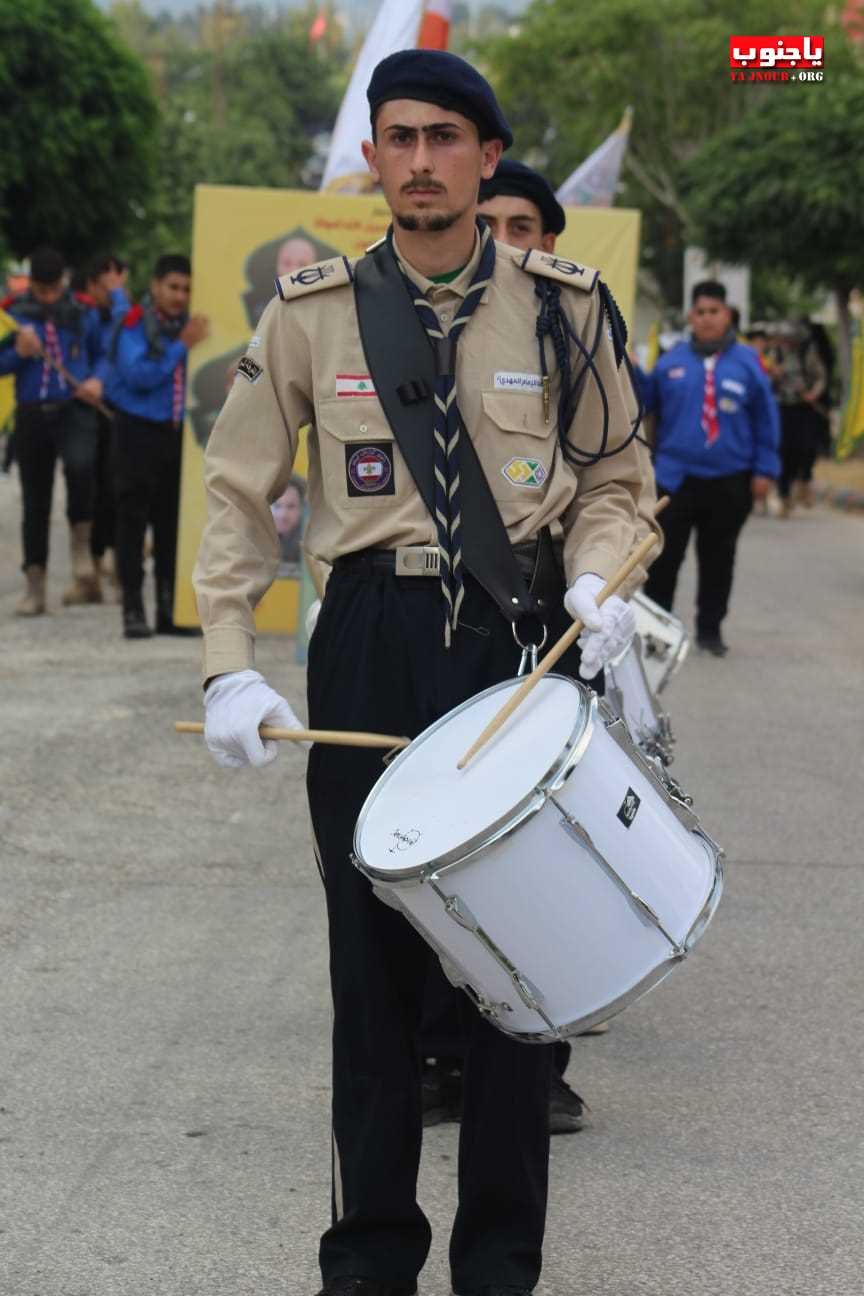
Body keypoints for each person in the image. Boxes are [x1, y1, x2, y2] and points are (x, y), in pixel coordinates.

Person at [194, 50, 644, 1296]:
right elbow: (237, 491)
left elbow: (616, 485)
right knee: (373, 970)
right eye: (398, 138)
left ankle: (501, 1264)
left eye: (445, 137)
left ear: (486, 156)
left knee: (519, 971)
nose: (421, 161)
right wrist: (230, 664)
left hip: (518, 644)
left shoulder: (562, 306)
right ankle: (369, 1261)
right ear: (373, 157)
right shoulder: (312, 311)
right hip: (371, 646)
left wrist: (601, 580)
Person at [417, 156, 661, 1138]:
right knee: (437, 834)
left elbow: (618, 470)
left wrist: (603, 579)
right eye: (497, 219)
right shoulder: (425, 326)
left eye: (527, 224)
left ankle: (535, 1060)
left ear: (552, 238)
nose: (509, 238)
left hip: (555, 609)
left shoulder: (575, 323)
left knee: (537, 845)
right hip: (438, 613)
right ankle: (439, 1047)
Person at [641, 280, 780, 657]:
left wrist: (765, 469)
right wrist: (630, 368)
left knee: (718, 558)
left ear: (727, 315)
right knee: (664, 559)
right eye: (699, 312)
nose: (706, 319)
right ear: (691, 316)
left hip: (729, 479)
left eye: (713, 312)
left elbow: (766, 419)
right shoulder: (670, 363)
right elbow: (642, 404)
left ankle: (709, 630)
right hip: (675, 478)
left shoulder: (749, 364)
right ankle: (657, 629)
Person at [0, 246, 108, 615]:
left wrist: (96, 380)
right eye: (39, 290)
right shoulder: (12, 313)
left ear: (63, 282)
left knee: (81, 467)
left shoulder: (83, 312)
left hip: (74, 406)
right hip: (31, 412)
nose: (46, 297)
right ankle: (35, 584)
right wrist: (19, 352)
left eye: (52, 289)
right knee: (35, 499)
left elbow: (103, 354)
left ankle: (82, 550)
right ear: (30, 283)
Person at [106, 254, 209, 638]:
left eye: (186, 289)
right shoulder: (135, 323)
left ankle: (169, 611)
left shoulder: (194, 326)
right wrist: (181, 346)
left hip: (175, 435)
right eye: (173, 287)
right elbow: (140, 376)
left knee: (172, 525)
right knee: (132, 523)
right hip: (136, 431)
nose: (180, 296)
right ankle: (133, 609)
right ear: (155, 287)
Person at [81, 254, 131, 587]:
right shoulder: (84, 316)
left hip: (118, 410)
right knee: (91, 485)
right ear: (91, 286)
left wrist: (118, 297)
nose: (111, 292)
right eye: (105, 287)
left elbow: (122, 336)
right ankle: (92, 559)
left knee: (117, 486)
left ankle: (114, 556)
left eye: (117, 285)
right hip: (88, 408)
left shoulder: (126, 313)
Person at [775, 320, 832, 514]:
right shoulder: (776, 355)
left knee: (806, 447)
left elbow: (821, 377)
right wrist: (774, 375)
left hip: (804, 407)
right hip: (782, 407)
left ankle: (803, 482)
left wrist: (813, 394)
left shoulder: (808, 353)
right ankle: (784, 497)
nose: (787, 343)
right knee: (784, 451)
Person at [271, 475, 306, 576]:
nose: (283, 515)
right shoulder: (252, 541)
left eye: (291, 506)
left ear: (302, 508)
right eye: (277, 506)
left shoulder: (309, 545)